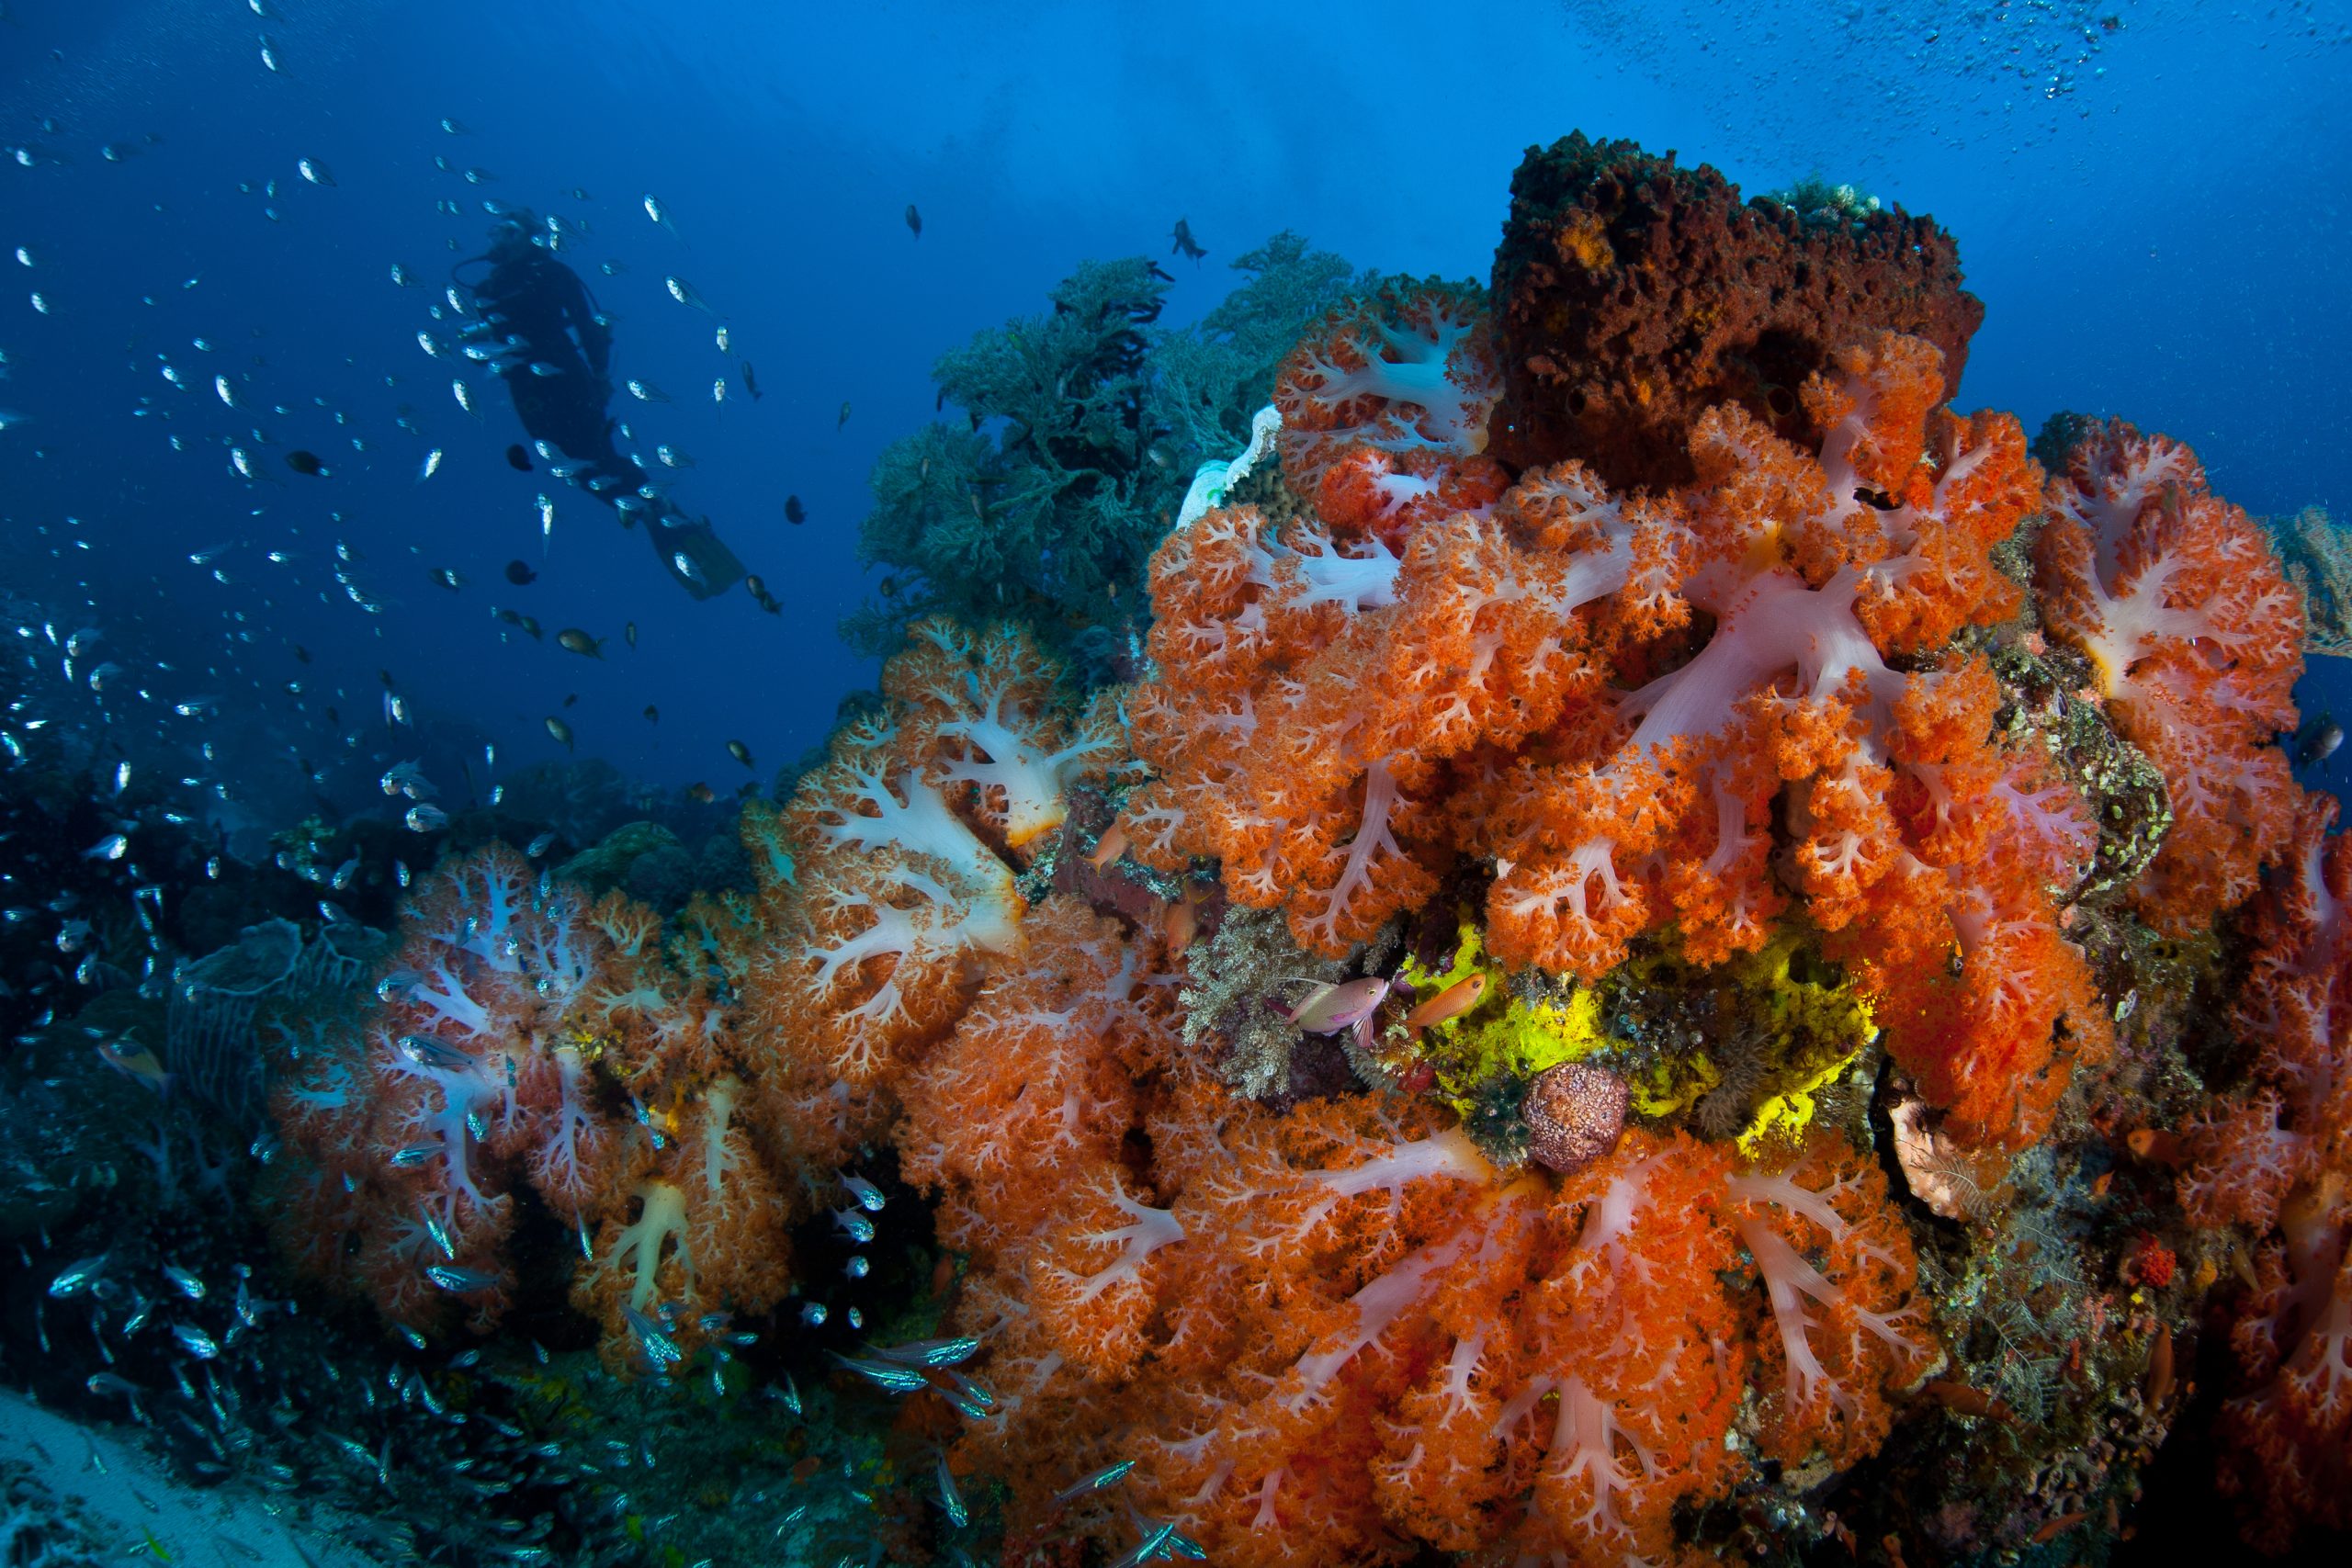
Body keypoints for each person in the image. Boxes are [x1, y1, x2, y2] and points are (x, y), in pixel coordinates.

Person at [456, 216, 744, 600]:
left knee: (595, 457)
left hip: (567, 380)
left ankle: (663, 514)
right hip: (526, 392)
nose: (499, 237)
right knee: (572, 469)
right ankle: (652, 511)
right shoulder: (485, 287)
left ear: (531, 237)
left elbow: (588, 325)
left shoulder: (553, 273)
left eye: (511, 230)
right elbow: (488, 350)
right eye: (495, 230)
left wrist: (599, 375)